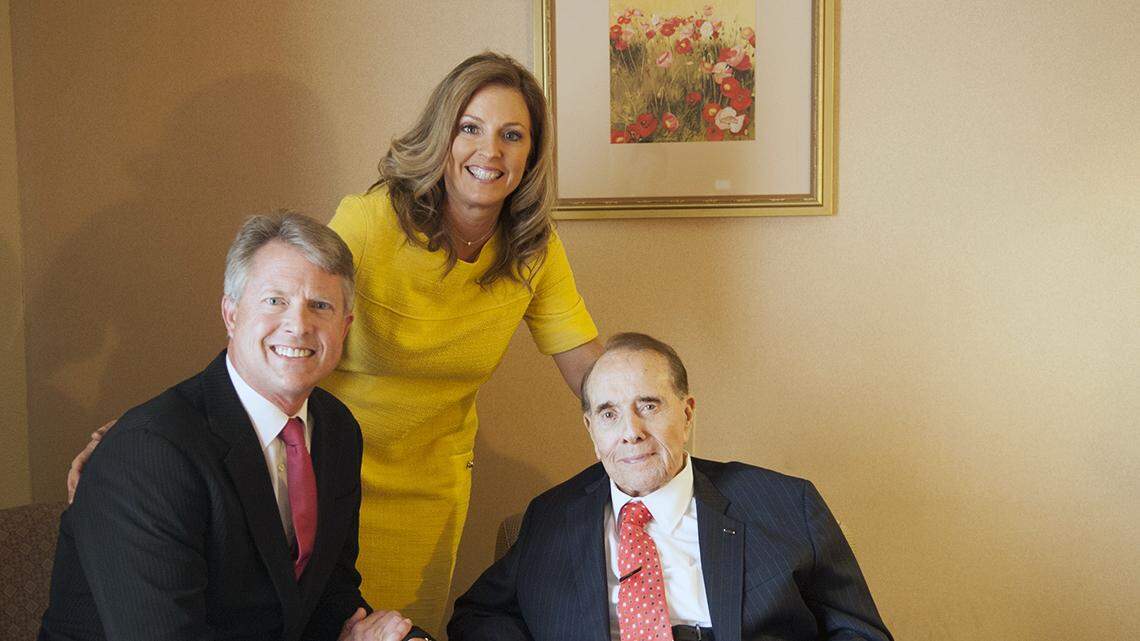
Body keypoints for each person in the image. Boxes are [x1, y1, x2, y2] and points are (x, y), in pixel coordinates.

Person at [68, 52, 602, 630]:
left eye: (512, 135)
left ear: (532, 152)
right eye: (469, 128)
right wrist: (144, 434)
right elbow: (284, 313)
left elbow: (589, 370)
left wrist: (641, 426)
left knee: (381, 624)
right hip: (319, 466)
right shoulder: (374, 221)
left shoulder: (533, 250)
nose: (490, 151)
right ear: (441, 136)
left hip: (426, 486)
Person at [41, 214, 432, 641]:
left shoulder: (337, 430)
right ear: (231, 313)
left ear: (345, 327)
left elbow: (326, 593)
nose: (298, 325)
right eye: (274, 300)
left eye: (320, 305)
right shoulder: (150, 453)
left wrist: (380, 636)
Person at [448, 333, 893, 641]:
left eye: (648, 405)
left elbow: (859, 631)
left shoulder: (784, 504)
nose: (631, 432)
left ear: (687, 412)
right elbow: (479, 615)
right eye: (609, 414)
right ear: (590, 429)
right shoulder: (551, 517)